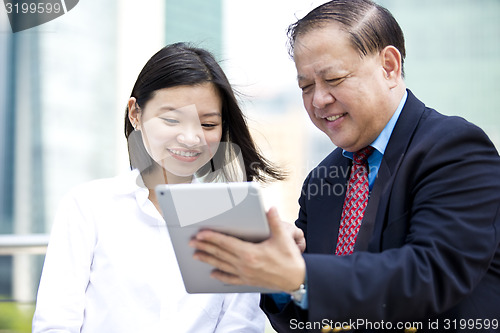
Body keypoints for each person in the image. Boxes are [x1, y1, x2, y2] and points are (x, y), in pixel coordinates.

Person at [189, 1, 500, 332]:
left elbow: (429, 274)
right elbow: (313, 316)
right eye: (306, 86)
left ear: (390, 66)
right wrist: (276, 278)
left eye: (333, 78)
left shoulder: (454, 148)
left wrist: (300, 275)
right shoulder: (322, 180)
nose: (318, 100)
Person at [32, 42, 288, 333]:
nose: (191, 138)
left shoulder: (232, 216)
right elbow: (56, 322)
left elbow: (240, 325)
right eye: (171, 119)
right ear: (135, 114)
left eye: (207, 124)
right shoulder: (88, 206)